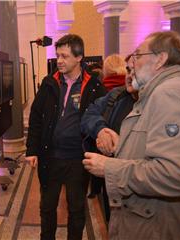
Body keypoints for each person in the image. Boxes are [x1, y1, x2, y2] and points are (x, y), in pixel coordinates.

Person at [82, 31, 180, 239]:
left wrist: (109, 167)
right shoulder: (153, 93)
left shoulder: (168, 92)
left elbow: (175, 173)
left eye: (137, 56)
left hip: (154, 224)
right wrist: (122, 144)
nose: (132, 65)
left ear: (160, 59)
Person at [25, 34, 106, 240]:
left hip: (78, 158)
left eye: (65, 56)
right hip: (50, 157)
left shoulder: (95, 87)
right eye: (57, 55)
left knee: (77, 209)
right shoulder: (49, 82)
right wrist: (32, 150)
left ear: (79, 58)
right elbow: (35, 117)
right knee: (47, 206)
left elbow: (101, 119)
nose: (59, 60)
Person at [80, 55, 138, 222]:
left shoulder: (158, 105)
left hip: (137, 191)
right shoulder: (116, 95)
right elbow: (89, 114)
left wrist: (118, 148)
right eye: (128, 69)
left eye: (135, 70)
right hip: (110, 184)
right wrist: (101, 130)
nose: (129, 75)